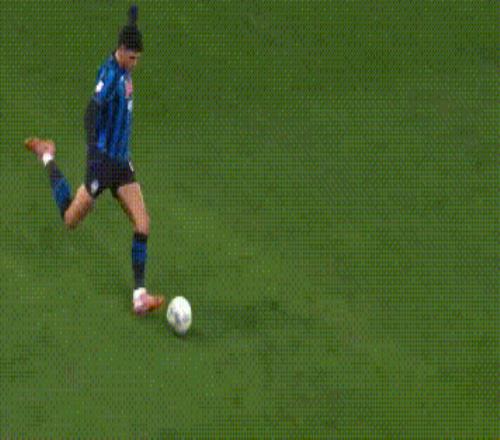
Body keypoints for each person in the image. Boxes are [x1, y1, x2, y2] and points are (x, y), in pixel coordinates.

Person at [24, 5, 164, 315]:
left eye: (138, 58)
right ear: (122, 51)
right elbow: (91, 112)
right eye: (133, 58)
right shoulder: (111, 76)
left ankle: (139, 296)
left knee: (143, 223)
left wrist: (132, 20)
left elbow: (128, 36)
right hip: (102, 163)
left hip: (121, 164)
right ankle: (47, 155)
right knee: (70, 219)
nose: (136, 64)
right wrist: (93, 152)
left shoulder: (125, 67)